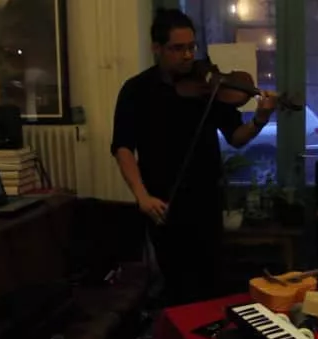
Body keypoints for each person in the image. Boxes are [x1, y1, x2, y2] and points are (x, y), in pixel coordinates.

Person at [110, 8, 278, 306]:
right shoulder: (136, 90)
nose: (188, 55)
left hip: (206, 200)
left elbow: (236, 137)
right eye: (178, 48)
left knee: (209, 283)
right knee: (176, 287)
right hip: (162, 203)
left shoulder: (208, 86)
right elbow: (122, 147)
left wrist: (260, 120)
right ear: (156, 48)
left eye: (191, 47)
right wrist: (142, 196)